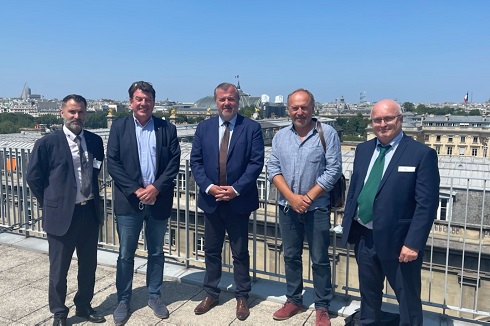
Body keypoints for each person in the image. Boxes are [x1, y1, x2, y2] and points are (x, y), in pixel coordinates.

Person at [341, 99, 440, 325]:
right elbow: (356, 188)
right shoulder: (363, 149)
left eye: (388, 118)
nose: (382, 124)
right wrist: (348, 222)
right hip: (365, 236)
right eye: (377, 120)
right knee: (369, 293)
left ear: (400, 120)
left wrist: (413, 243)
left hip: (400, 242)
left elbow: (427, 203)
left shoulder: (421, 154)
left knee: (407, 297)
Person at [26, 94, 106, 326]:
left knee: (88, 265)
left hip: (88, 212)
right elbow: (34, 178)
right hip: (61, 215)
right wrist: (51, 202)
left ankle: (83, 305)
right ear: (62, 113)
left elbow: (95, 169)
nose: (76, 116)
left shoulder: (94, 141)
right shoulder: (47, 143)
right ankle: (59, 312)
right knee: (59, 269)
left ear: (86, 114)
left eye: (80, 112)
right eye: (72, 112)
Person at [107, 81, 181, 325]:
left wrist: (155, 188)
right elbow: (113, 164)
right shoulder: (119, 127)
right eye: (139, 99)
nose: (143, 103)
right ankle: (123, 299)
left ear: (153, 102)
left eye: (148, 99)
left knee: (157, 252)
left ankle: (154, 296)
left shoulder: (166, 128)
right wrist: (138, 190)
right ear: (131, 102)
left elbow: (173, 163)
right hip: (130, 201)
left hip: (158, 200)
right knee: (126, 254)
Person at [190, 82, 264, 321]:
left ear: (238, 101)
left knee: (240, 251)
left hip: (238, 201)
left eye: (231, 99)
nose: (227, 103)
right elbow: (196, 162)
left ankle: (242, 295)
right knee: (211, 249)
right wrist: (210, 188)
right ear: (216, 101)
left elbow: (255, 163)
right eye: (222, 99)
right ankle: (211, 292)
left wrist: (235, 189)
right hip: (212, 200)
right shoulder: (204, 127)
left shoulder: (251, 127)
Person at [267, 89, 341, 326]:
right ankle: (294, 299)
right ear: (288, 109)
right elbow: (273, 169)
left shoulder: (327, 133)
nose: (299, 112)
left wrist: (306, 198)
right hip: (287, 207)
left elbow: (333, 171)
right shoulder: (280, 136)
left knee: (319, 259)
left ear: (313, 108)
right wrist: (291, 198)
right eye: (295, 108)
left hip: (317, 208)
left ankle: (322, 306)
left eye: (304, 107)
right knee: (290, 256)